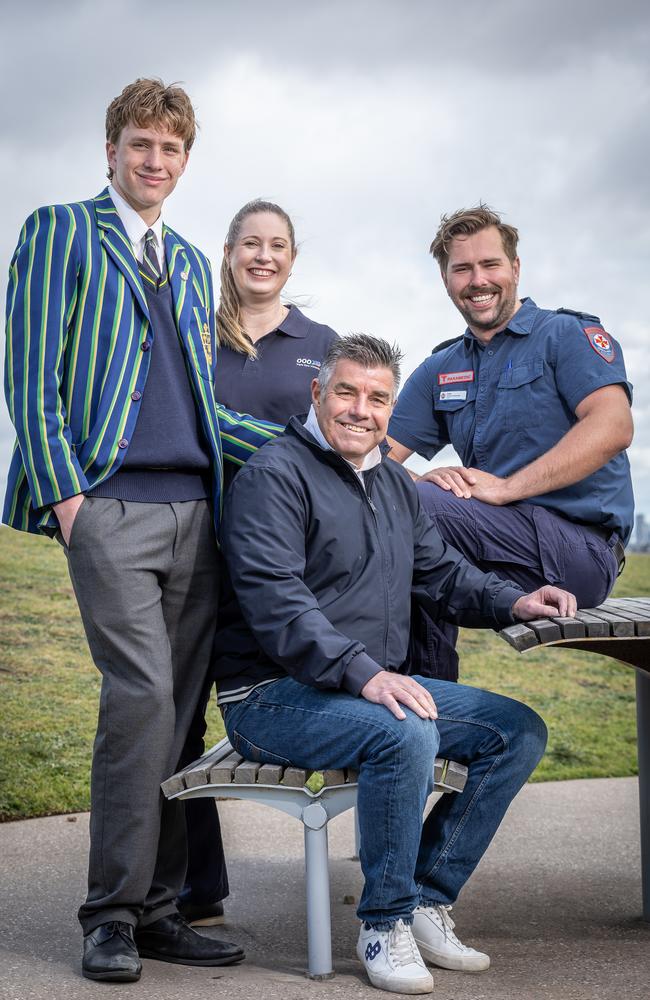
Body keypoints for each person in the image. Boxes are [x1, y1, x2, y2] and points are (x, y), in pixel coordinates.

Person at [2, 78, 280, 983]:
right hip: (108, 508)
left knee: (178, 719)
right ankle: (111, 915)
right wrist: (69, 497)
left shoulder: (195, 263)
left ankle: (162, 911)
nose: (153, 161)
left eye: (170, 149)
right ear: (112, 150)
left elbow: (201, 404)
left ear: (185, 162)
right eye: (139, 145)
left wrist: (321, 441)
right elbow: (29, 378)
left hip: (197, 515)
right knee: (140, 701)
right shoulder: (59, 231)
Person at [213, 334, 576, 994]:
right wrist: (368, 674)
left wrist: (517, 600)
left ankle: (425, 898)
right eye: (347, 392)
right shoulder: (274, 476)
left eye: (378, 398)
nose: (362, 409)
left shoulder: (390, 483)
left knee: (516, 732)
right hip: (271, 694)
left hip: (356, 687)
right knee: (402, 727)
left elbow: (442, 574)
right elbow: (279, 606)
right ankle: (382, 923)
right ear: (317, 394)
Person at [387, 205, 634, 678]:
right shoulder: (441, 367)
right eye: (462, 268)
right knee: (390, 518)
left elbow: (613, 426)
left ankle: (430, 699)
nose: (478, 280)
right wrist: (424, 476)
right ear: (446, 280)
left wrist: (506, 488)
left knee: (414, 509)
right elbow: (371, 453)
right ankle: (417, 704)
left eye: (490, 264)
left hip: (580, 552)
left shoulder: (565, 336)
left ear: (515, 269)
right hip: (491, 547)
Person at [178, 199, 338, 927]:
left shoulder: (321, 343)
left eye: (277, 245)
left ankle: (390, 873)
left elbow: (336, 446)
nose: (263, 256)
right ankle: (195, 890)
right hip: (193, 546)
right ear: (229, 252)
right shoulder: (191, 331)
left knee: (307, 696)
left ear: (293, 259)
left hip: (279, 560)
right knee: (175, 717)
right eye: (250, 243)